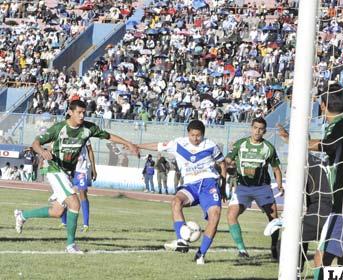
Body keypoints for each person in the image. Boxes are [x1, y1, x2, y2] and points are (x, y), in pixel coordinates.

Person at [278, 84, 343, 279]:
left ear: (323, 105)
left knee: (321, 257)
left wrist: (292, 141)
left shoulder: (337, 126)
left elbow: (327, 145)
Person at [14, 100, 139, 254]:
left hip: (67, 172)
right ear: (70, 112)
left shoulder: (88, 128)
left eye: (84, 112)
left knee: (58, 211)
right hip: (55, 169)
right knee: (74, 203)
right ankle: (70, 245)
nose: (82, 115)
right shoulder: (59, 128)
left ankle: (22, 215)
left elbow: (108, 136)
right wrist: (42, 151)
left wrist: (129, 143)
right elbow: (35, 143)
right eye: (79, 112)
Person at [137, 120, 227, 265]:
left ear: (203, 134)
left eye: (198, 136)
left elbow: (222, 163)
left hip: (209, 184)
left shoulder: (211, 145)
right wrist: (137, 146)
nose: (195, 138)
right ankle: (181, 241)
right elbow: (158, 145)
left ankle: (200, 254)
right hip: (190, 185)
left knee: (215, 217)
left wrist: (222, 187)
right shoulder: (178, 143)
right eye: (193, 135)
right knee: (175, 201)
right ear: (188, 133)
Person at [225, 117, 283, 260]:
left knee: (274, 219)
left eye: (261, 129)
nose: (257, 131)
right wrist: (224, 164)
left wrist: (280, 185)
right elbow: (228, 160)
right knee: (231, 215)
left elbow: (276, 168)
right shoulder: (240, 144)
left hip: (262, 188)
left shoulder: (268, 147)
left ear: (265, 131)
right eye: (255, 128)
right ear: (251, 128)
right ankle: (242, 250)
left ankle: (274, 247)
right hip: (243, 188)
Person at [61, 140, 97, 232]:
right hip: (68, 169)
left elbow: (90, 150)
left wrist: (93, 168)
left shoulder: (85, 134)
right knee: (64, 194)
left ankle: (86, 225)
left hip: (81, 171)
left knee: (83, 193)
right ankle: (64, 222)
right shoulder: (65, 133)